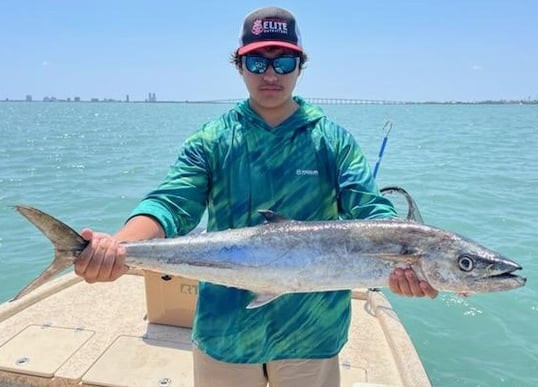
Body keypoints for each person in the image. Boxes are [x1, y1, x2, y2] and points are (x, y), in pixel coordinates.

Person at [74, 6, 438, 387]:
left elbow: (371, 210)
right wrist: (116, 248)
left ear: (300, 66)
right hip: (226, 334)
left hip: (311, 335)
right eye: (256, 62)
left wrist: (404, 259)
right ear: (239, 66)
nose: (270, 74)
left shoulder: (333, 142)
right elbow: (170, 204)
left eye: (283, 62)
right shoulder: (213, 140)